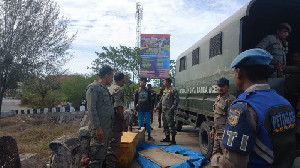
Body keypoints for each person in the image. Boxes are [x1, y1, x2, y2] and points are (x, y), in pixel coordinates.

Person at [211, 49, 296, 168]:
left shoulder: (242, 107)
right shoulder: (285, 103)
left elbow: (234, 164)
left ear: (239, 73)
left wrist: (215, 160)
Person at [86, 65, 114, 168]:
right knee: (96, 160)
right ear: (107, 76)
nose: (112, 79)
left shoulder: (105, 89)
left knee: (102, 157)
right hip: (99, 130)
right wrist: (97, 128)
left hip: (106, 129)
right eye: (112, 76)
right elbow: (91, 109)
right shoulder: (93, 88)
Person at [209, 77, 235, 156]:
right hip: (217, 133)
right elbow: (217, 115)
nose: (220, 88)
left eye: (222, 86)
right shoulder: (218, 98)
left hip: (225, 134)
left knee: (227, 157)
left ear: (227, 87)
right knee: (215, 155)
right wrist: (213, 129)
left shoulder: (231, 100)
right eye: (218, 86)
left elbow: (233, 120)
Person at [106, 72, 127, 168]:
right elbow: (118, 107)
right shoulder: (118, 89)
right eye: (123, 79)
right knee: (113, 146)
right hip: (115, 121)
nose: (124, 81)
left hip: (107, 121)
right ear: (120, 80)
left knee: (107, 144)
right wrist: (123, 122)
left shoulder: (109, 88)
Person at [154, 78, 179, 145]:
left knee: (171, 124)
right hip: (164, 110)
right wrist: (156, 107)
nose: (164, 83)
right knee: (165, 124)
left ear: (168, 82)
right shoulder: (165, 90)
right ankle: (167, 137)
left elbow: (176, 100)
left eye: (164, 81)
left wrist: (173, 107)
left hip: (169, 110)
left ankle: (173, 140)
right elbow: (161, 100)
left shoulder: (173, 90)